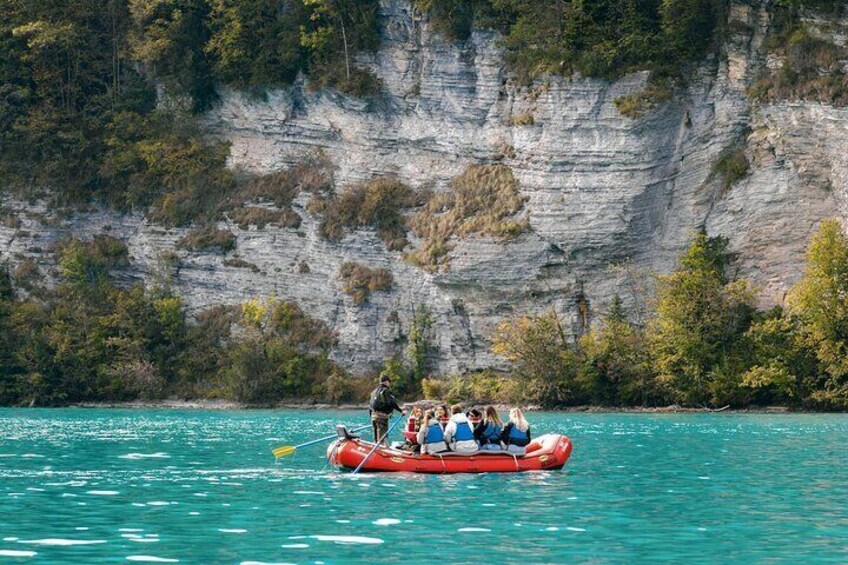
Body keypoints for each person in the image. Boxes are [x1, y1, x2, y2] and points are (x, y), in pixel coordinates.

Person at [368, 373, 404, 445]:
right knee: (382, 439)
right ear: (386, 382)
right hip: (381, 418)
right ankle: (381, 453)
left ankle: (376, 451)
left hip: (373, 417)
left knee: (376, 440)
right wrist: (401, 411)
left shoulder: (374, 392)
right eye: (389, 382)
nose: (389, 384)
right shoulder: (386, 390)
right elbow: (391, 402)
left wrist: (372, 417)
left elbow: (370, 406)